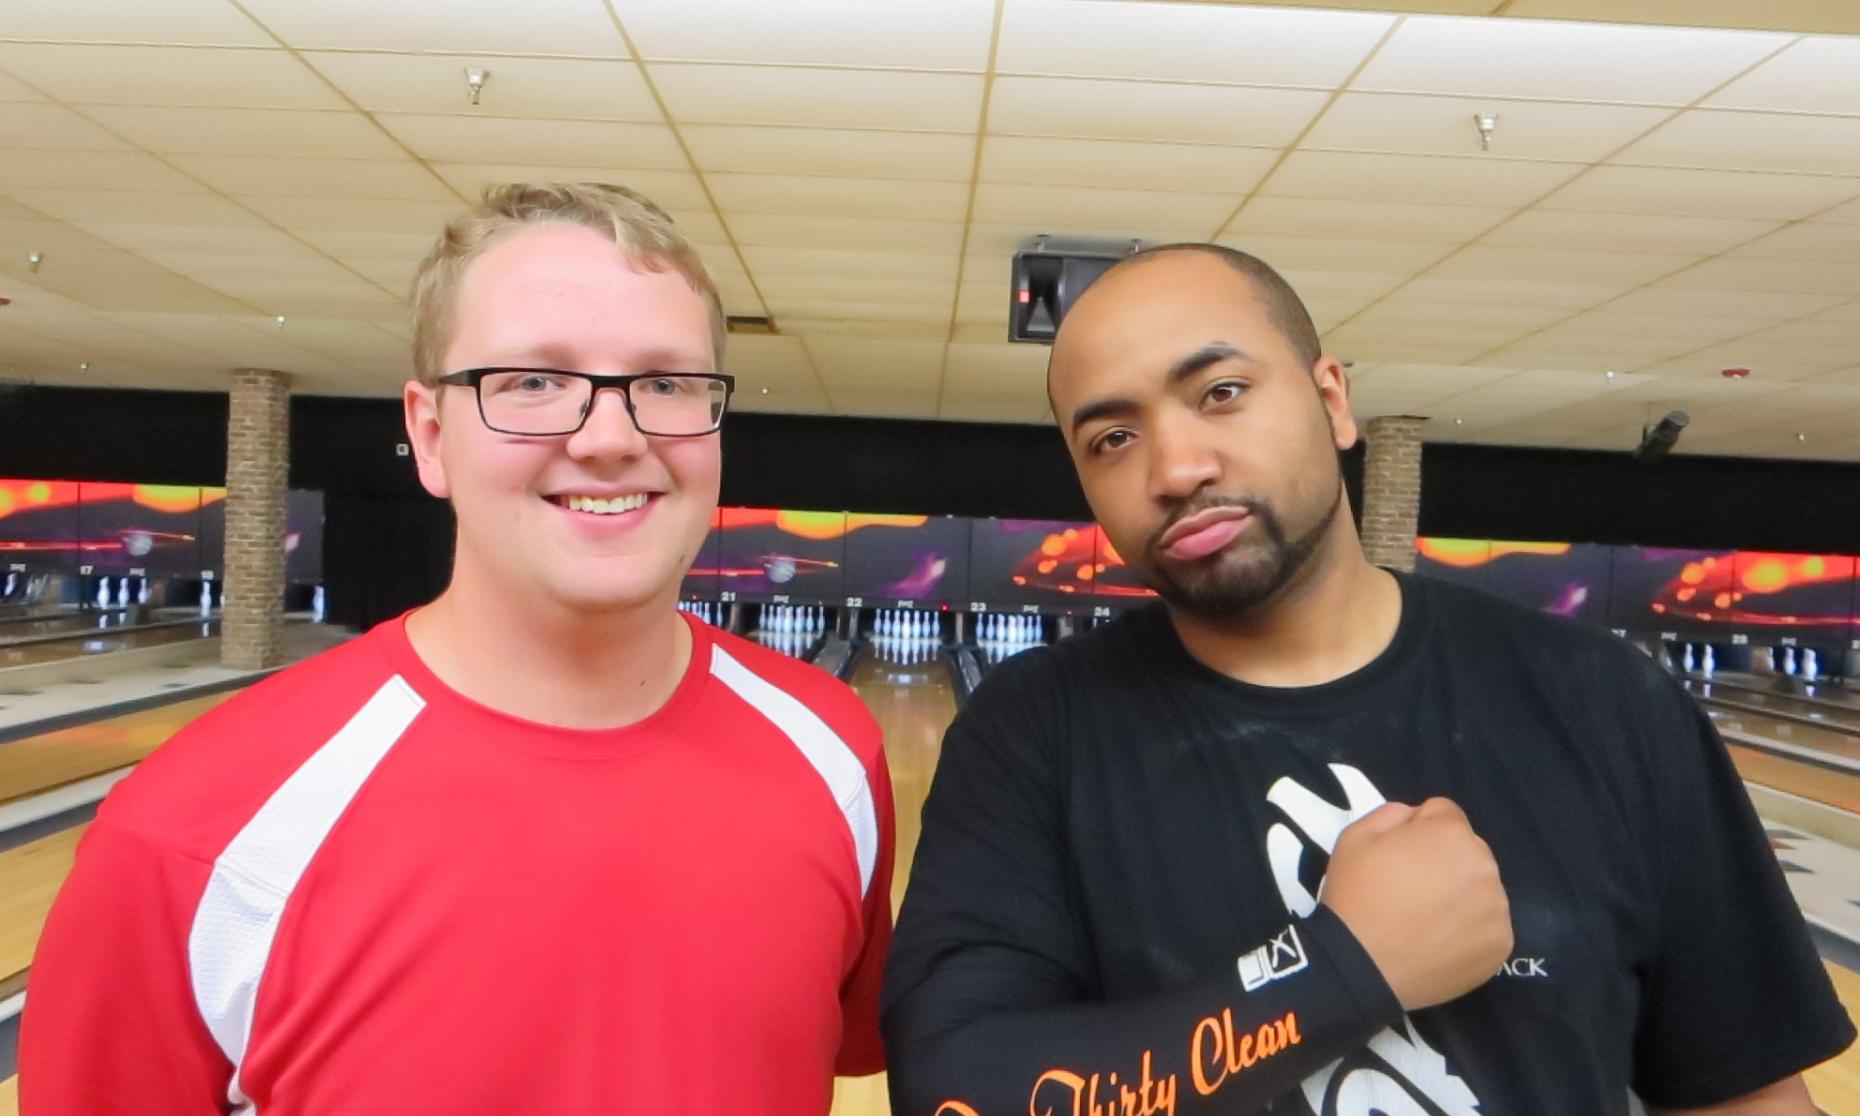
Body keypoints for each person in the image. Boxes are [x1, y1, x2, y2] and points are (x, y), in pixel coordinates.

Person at [882, 243, 1850, 1115]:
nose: (1176, 467)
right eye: (1112, 439)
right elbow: (955, 1093)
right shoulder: (1034, 734)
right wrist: (1344, 970)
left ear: (1333, 401)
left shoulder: (1611, 705)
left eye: (1220, 392)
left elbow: (1749, 1098)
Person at [21, 183, 893, 1114]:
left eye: (666, 383)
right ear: (430, 434)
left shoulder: (835, 752)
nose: (611, 436)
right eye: (532, 382)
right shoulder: (196, 830)